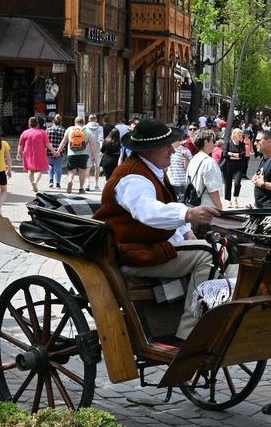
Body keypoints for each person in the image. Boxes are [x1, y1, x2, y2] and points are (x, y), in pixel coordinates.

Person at [93, 119, 218, 342]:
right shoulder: (133, 177)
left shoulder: (151, 169)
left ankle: (214, 314)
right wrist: (187, 215)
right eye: (166, 145)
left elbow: (162, 214)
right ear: (149, 150)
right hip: (135, 253)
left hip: (150, 246)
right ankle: (188, 334)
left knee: (222, 250)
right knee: (208, 255)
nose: (172, 150)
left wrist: (186, 231)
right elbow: (148, 212)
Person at [186, 129, 225, 210]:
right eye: (212, 141)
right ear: (205, 142)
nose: (214, 144)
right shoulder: (209, 162)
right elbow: (212, 189)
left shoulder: (194, 158)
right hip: (207, 205)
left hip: (194, 204)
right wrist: (219, 206)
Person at [57, 115, 92, 193]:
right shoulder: (87, 130)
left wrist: (58, 151)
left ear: (75, 122)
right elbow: (91, 144)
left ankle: (70, 181)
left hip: (71, 153)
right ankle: (81, 188)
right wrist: (93, 155)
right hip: (84, 154)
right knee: (82, 171)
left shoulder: (70, 129)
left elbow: (64, 141)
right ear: (83, 123)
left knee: (71, 170)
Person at [17, 116, 50, 192]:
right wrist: (54, 151)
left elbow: (20, 144)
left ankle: (32, 184)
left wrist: (19, 153)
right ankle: (35, 182)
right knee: (39, 170)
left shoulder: (25, 132)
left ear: (29, 124)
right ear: (37, 124)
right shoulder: (42, 132)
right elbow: (48, 144)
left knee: (30, 170)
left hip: (28, 153)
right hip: (40, 152)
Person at [221, 128, 248, 208]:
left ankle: (235, 199)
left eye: (241, 135)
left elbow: (243, 155)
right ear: (234, 135)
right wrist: (237, 155)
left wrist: (231, 154)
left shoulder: (242, 144)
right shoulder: (228, 143)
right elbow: (225, 154)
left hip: (239, 167)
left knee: (237, 183)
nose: (241, 136)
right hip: (228, 167)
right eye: (239, 135)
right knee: (228, 183)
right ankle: (229, 201)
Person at [167, 129, 194, 196]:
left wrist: (185, 157)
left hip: (181, 184)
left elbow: (188, 169)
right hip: (169, 183)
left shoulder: (185, 151)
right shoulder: (165, 150)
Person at [84, 114, 105, 189]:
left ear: (89, 119)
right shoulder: (100, 128)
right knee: (97, 165)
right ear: (96, 119)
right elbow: (101, 139)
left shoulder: (85, 127)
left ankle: (87, 183)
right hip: (97, 148)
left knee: (88, 166)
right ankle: (96, 184)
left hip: (87, 148)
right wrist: (102, 150)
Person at [46, 114, 66, 189]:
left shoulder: (48, 130)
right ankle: (58, 183)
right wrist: (59, 150)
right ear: (60, 122)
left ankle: (51, 181)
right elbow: (65, 142)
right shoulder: (63, 130)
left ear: (53, 122)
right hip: (60, 151)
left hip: (49, 151)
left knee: (50, 165)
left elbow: (46, 141)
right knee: (58, 167)